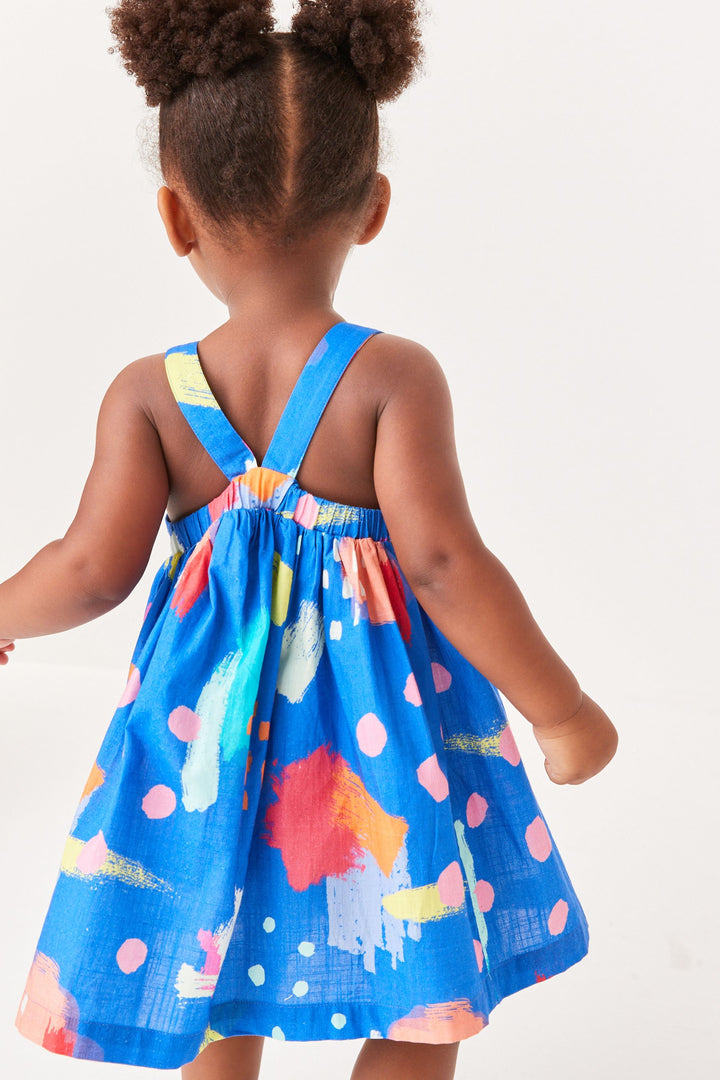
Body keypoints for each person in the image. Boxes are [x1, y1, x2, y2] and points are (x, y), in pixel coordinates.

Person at [3, 1, 618, 1077]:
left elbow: (90, 569)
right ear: (372, 207)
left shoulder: (149, 396)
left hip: (205, 750)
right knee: (415, 991)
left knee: (212, 968)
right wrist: (561, 710)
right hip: (383, 756)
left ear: (175, 216)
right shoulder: (390, 379)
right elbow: (444, 564)